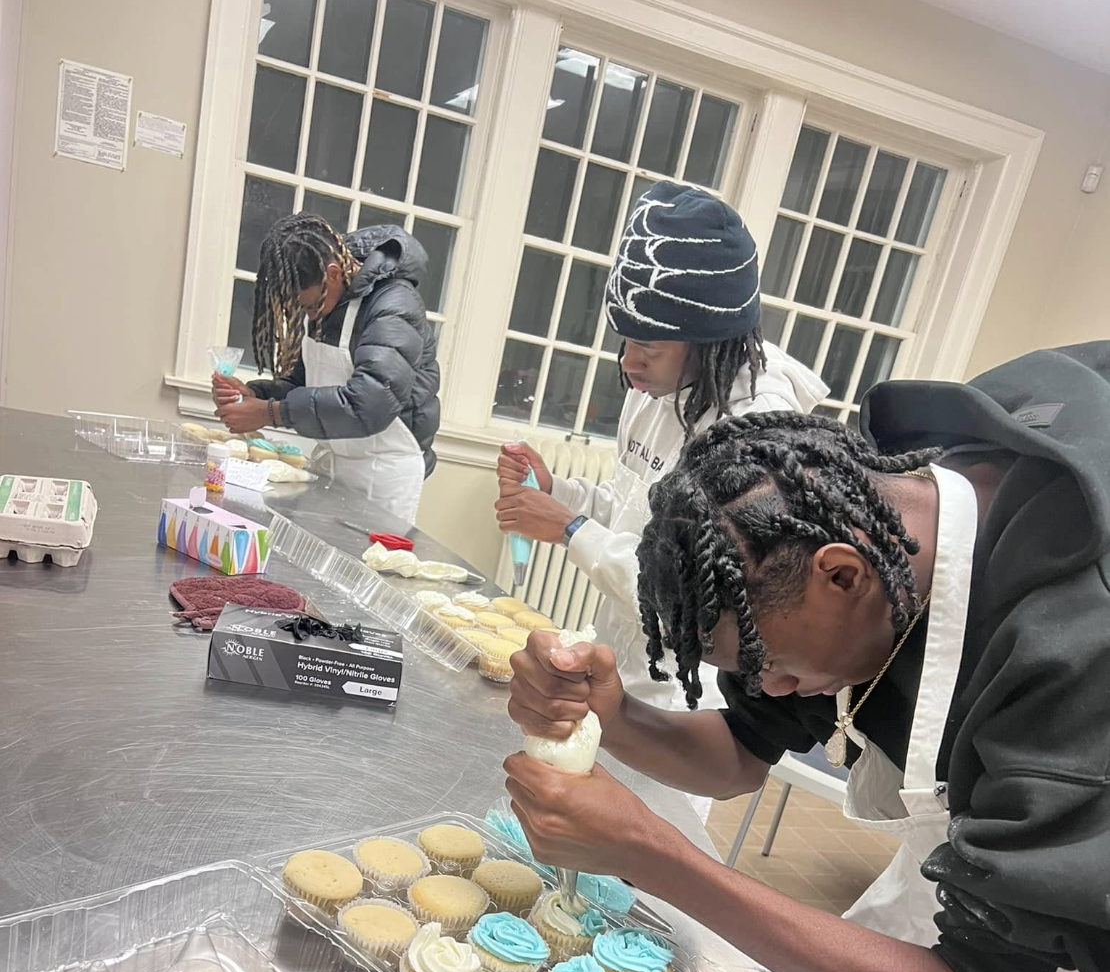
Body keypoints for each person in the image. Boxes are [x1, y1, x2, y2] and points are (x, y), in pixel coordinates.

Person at [502, 342, 1110, 972]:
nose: (776, 687)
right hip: (954, 896)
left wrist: (663, 858)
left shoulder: (1074, 637)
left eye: (775, 665)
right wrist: (614, 714)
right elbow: (742, 752)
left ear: (842, 574)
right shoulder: (855, 512)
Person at [494, 180, 826, 819]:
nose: (629, 363)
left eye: (649, 347)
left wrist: (569, 528)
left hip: (684, 701)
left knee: (643, 850)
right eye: (625, 341)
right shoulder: (657, 392)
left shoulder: (756, 434)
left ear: (710, 340)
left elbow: (695, 596)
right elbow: (633, 509)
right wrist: (560, 492)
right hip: (620, 670)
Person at [212, 213, 440, 526]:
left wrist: (270, 412)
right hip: (334, 463)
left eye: (308, 306)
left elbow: (370, 403)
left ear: (333, 274)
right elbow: (304, 384)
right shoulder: (330, 299)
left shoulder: (394, 305)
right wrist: (255, 395)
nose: (308, 315)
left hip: (383, 474)